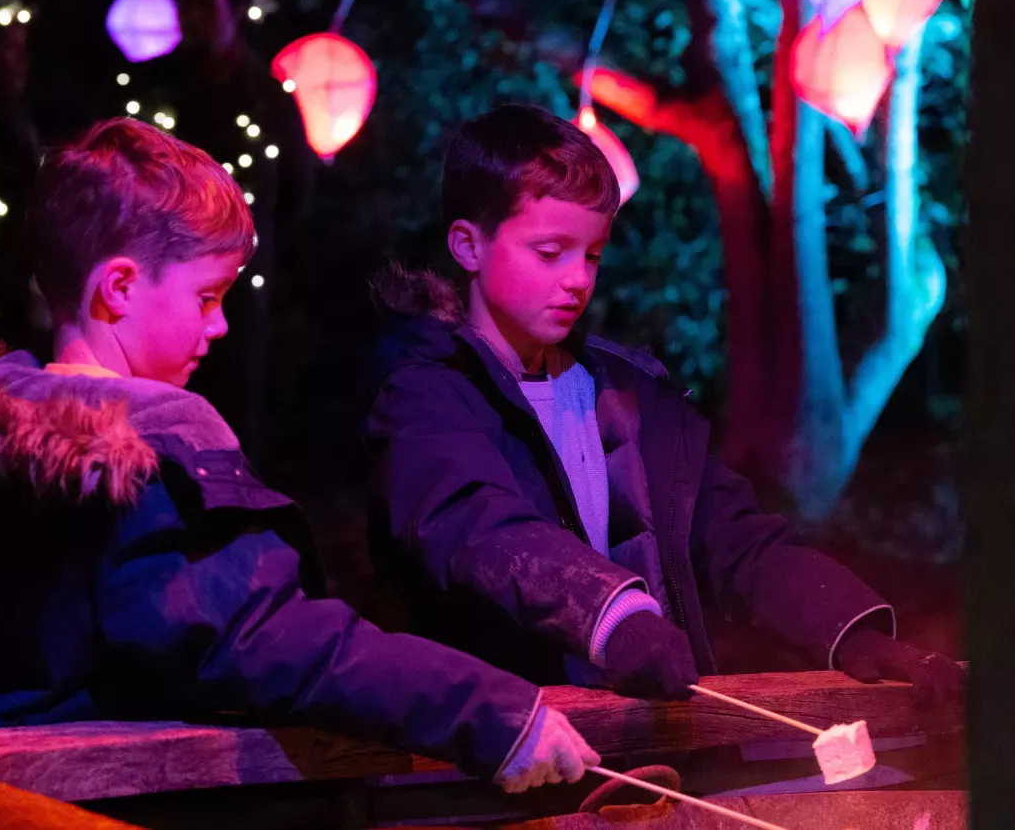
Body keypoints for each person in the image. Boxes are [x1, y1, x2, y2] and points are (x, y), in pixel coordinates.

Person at [0, 117, 597, 792]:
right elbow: (273, 639)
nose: (220, 325)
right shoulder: (147, 460)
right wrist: (490, 712)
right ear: (121, 288)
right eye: (206, 296)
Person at [366, 104, 965, 703]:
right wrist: (611, 616)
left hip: (654, 737)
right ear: (469, 246)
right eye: (550, 252)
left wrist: (848, 630)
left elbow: (735, 538)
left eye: (592, 254)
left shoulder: (631, 396)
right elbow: (475, 523)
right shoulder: (425, 396)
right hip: (505, 753)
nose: (577, 278)